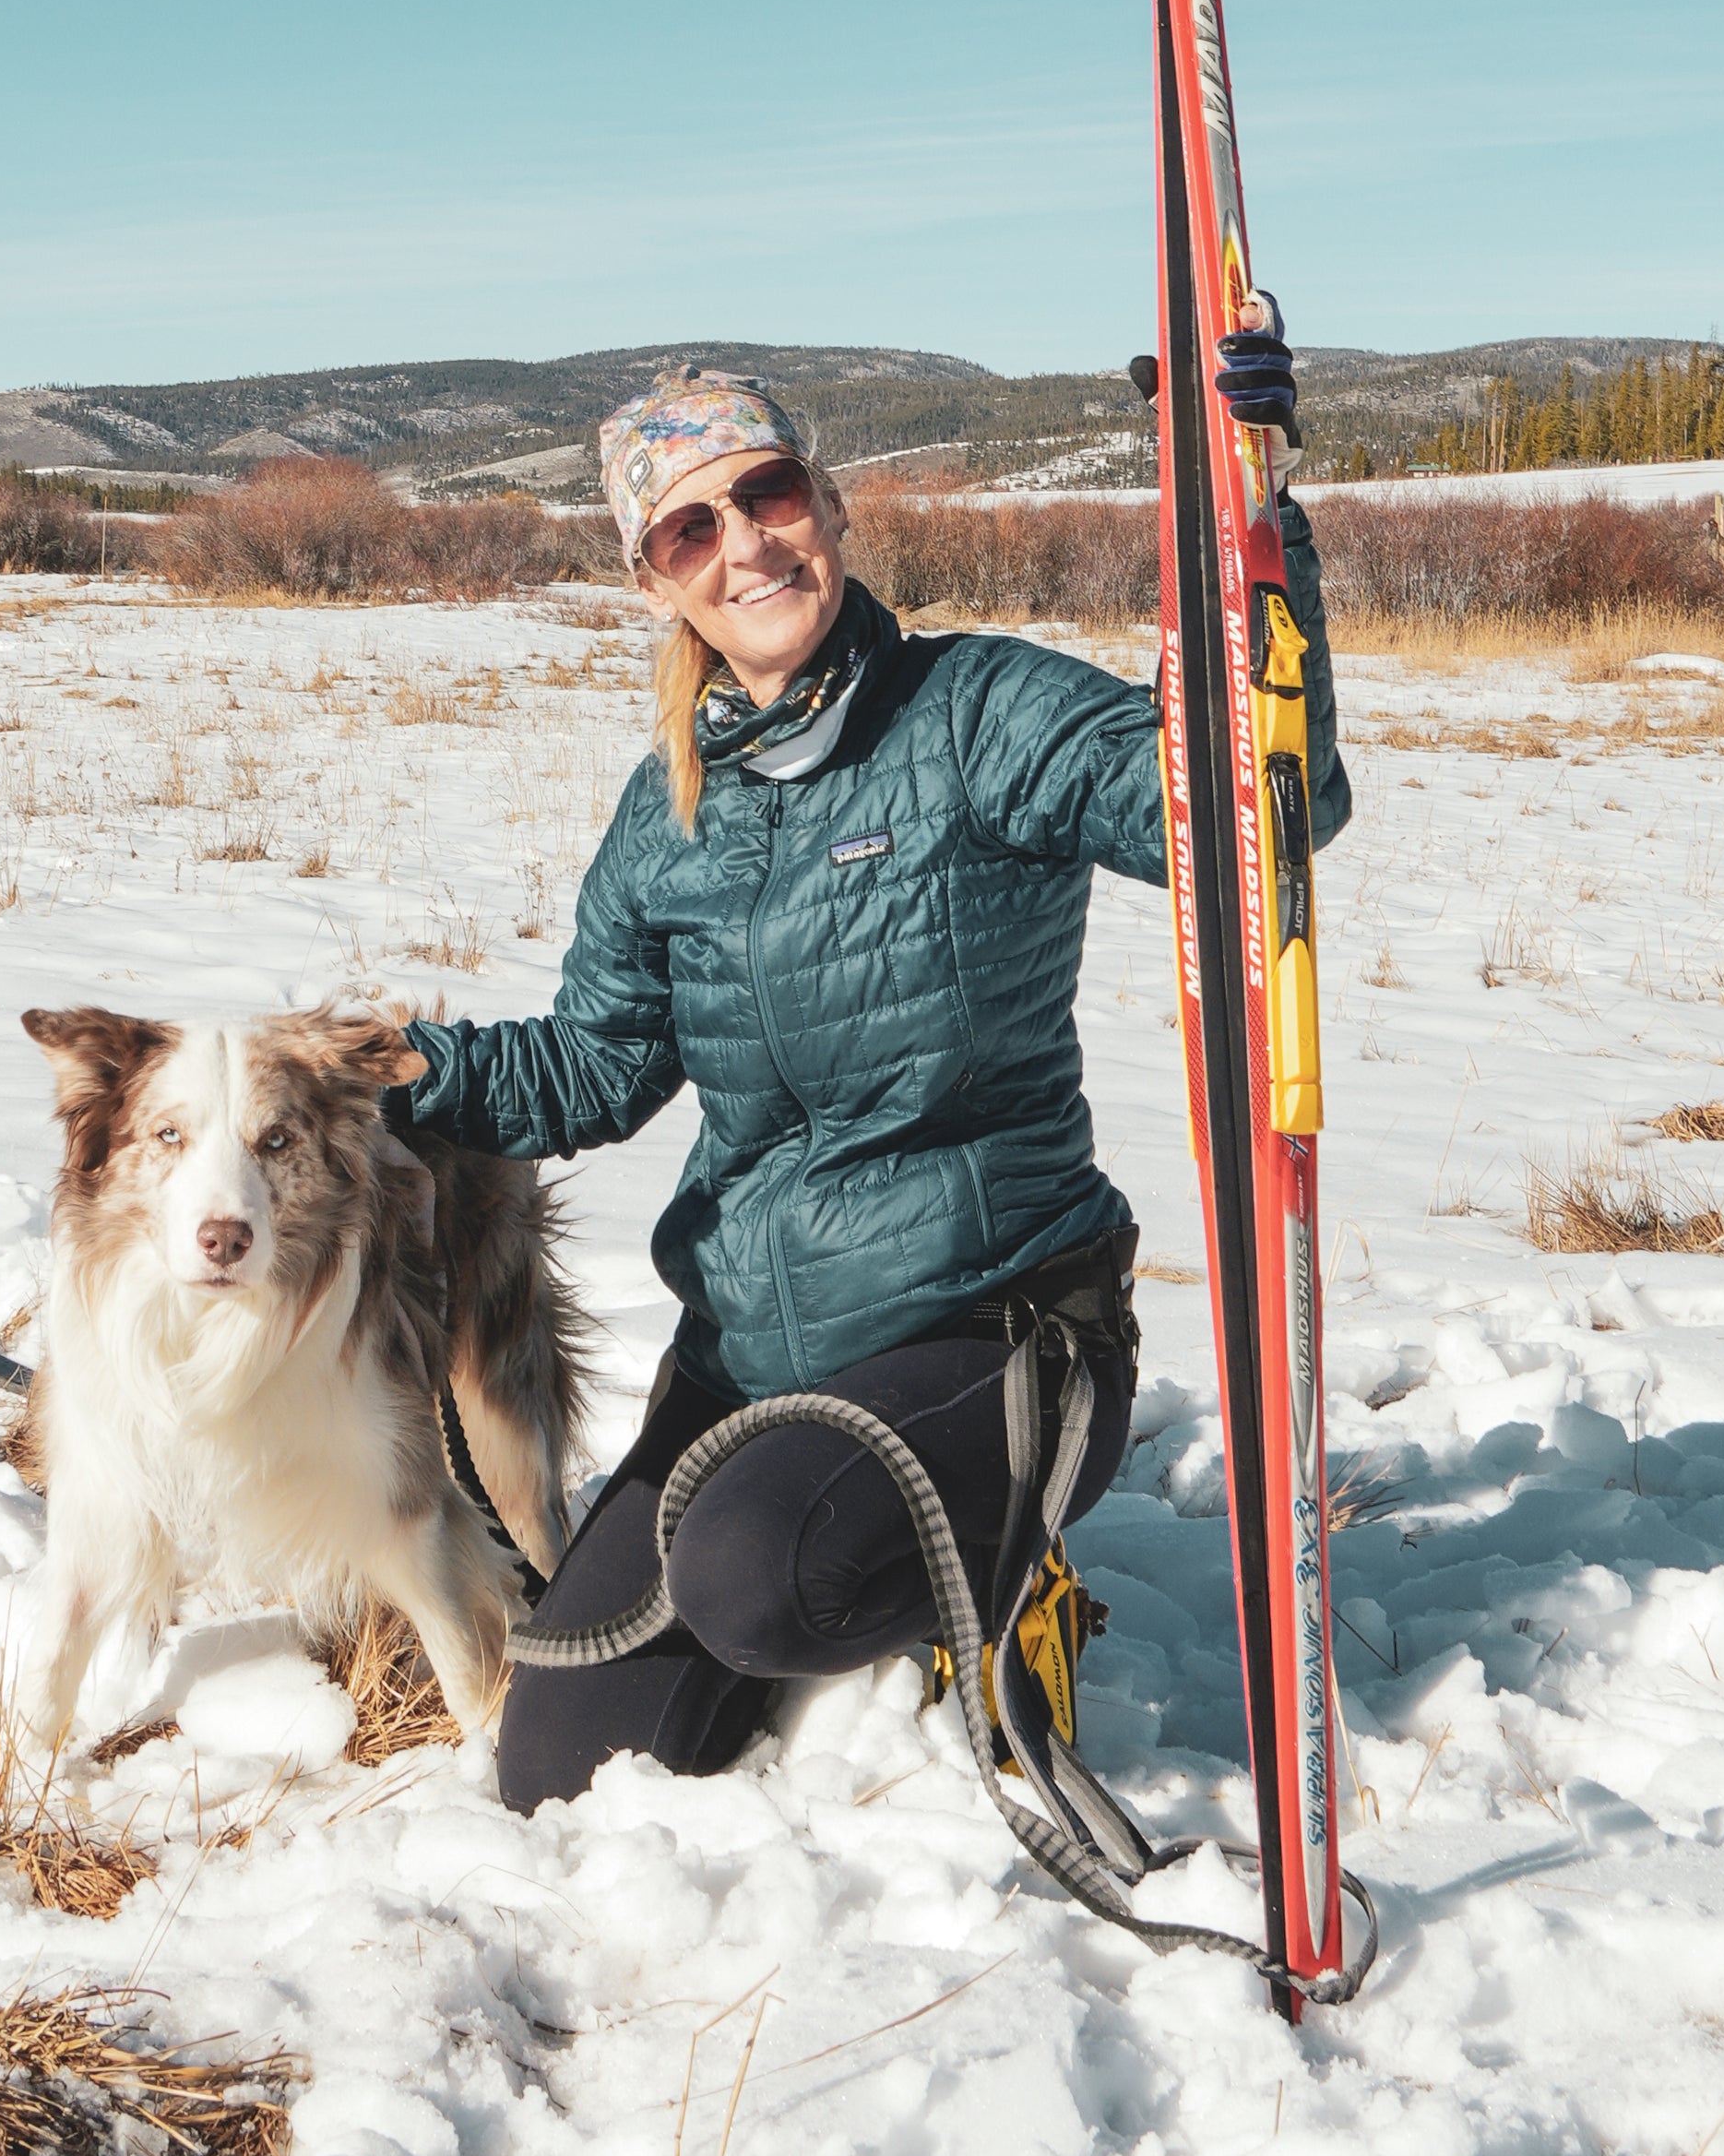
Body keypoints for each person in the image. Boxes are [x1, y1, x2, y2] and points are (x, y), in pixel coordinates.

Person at [395, 349, 1349, 1812]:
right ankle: (818, 1539)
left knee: (756, 1581)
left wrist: (1257, 535)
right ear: (655, 582)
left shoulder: (970, 711)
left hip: (997, 1324)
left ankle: (1003, 1589)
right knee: (556, 1763)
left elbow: (1243, 812)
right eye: (689, 529)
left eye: (766, 494)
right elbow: (595, 1068)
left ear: (827, 505)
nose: (745, 544)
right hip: (751, 1359)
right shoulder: (669, 811)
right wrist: (389, 1079)